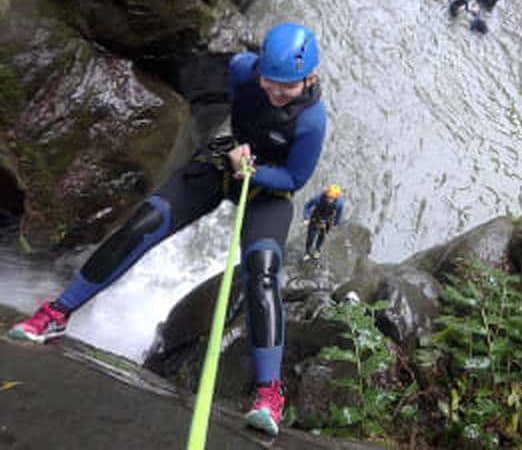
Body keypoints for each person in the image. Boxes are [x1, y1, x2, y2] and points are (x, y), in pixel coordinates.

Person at [8, 22, 328, 439]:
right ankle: (56, 314)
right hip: (223, 165)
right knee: (144, 223)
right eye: (268, 80)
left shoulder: (312, 123)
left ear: (310, 79)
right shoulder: (241, 69)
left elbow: (295, 178)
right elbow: (229, 96)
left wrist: (256, 170)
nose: (273, 91)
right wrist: (229, 153)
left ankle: (269, 394)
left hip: (267, 191)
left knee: (262, 272)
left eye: (286, 86)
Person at [302, 184, 344, 261]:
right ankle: (307, 252)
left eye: (332, 198)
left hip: (327, 221)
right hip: (315, 218)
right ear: (327, 194)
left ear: (336, 198)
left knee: (322, 236)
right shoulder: (318, 198)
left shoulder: (339, 203)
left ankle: (317, 250)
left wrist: (335, 224)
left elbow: (339, 214)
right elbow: (307, 206)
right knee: (311, 236)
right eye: (329, 197)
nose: (330, 200)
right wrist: (306, 218)